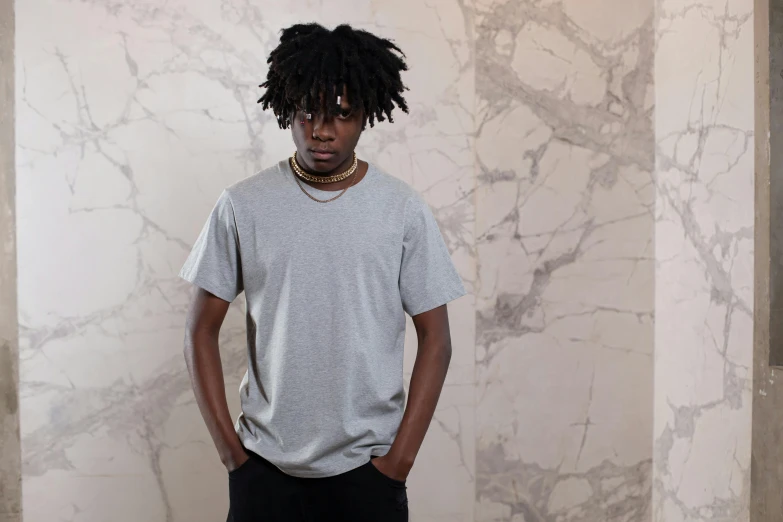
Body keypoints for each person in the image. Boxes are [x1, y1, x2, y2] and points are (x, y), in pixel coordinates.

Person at [180, 22, 467, 522]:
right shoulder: (243, 205)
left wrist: (398, 464)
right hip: (264, 473)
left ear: (364, 117)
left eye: (341, 114)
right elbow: (200, 330)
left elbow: (436, 339)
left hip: (368, 475)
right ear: (287, 109)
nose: (322, 130)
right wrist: (234, 458)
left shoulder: (400, 208)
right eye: (308, 112)